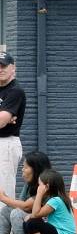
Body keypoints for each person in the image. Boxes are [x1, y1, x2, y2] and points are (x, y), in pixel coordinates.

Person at [0, 150, 51, 234]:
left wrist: (3, 198)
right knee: (6, 211)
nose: (22, 170)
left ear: (36, 169)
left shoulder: (46, 184)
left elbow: (26, 207)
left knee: (16, 213)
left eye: (26, 167)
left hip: (45, 228)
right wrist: (6, 199)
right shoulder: (29, 185)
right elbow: (21, 204)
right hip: (31, 225)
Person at [19, 168, 76, 234]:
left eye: (39, 185)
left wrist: (39, 194)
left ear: (47, 186)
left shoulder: (56, 201)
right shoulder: (55, 200)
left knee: (33, 222)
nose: (38, 187)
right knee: (27, 222)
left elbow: (35, 214)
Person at [0, 52, 26, 204]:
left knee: (4, 191)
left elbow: (2, 121)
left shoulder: (15, 91)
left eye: (4, 66)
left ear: (13, 68)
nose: (0, 69)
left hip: (6, 144)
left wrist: (4, 118)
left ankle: (4, 228)